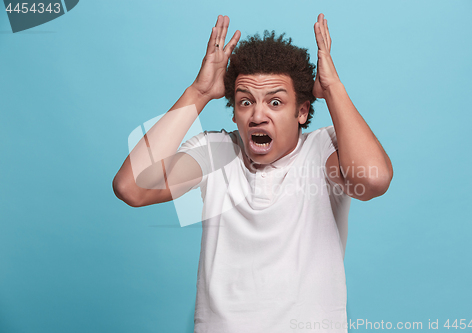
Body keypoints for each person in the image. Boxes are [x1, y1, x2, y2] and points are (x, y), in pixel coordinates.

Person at [113, 13, 393, 333]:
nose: (258, 115)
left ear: (301, 112)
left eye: (275, 102)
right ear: (234, 112)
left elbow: (373, 180)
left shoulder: (322, 151)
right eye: (246, 102)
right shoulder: (217, 151)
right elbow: (131, 188)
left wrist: (332, 88)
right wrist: (199, 92)